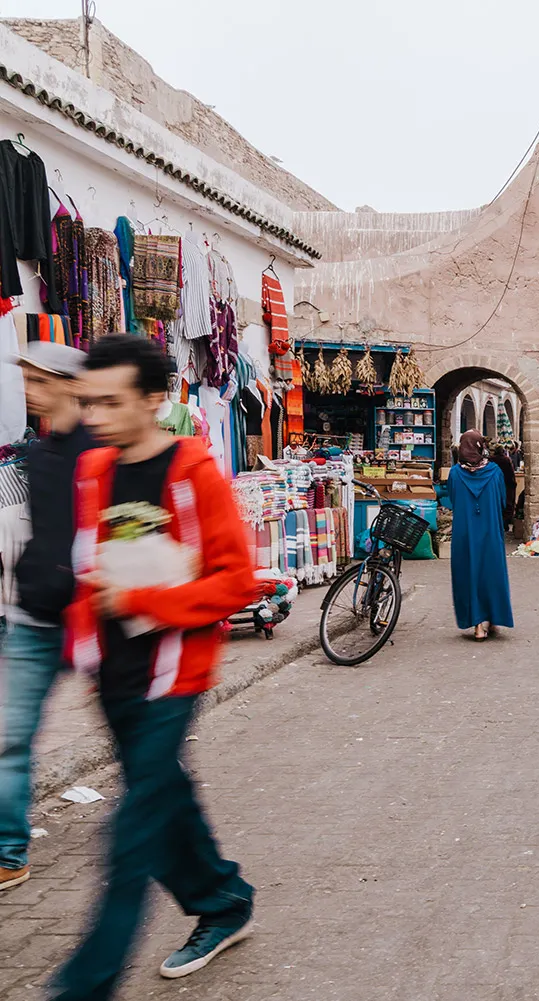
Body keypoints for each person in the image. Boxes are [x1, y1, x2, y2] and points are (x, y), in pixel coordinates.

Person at [53, 335, 258, 1000]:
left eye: (112, 401)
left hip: (173, 676)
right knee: (165, 800)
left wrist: (140, 599)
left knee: (130, 832)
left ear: (153, 399)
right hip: (112, 675)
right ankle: (222, 897)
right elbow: (91, 565)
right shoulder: (94, 472)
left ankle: (86, 983)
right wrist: (82, 645)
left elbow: (237, 582)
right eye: (90, 401)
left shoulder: (193, 472)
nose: (97, 415)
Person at [1, 344, 93, 894]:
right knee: (11, 738)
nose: (30, 389)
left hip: (94, 618)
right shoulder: (34, 456)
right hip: (34, 617)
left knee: (134, 734)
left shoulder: (101, 454)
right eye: (27, 379)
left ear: (70, 385)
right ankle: (10, 853)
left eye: (40, 380)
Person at [451, 431, 514, 641]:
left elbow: (452, 499)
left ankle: (478, 626)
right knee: (492, 572)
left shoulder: (454, 474)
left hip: (465, 533)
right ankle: (494, 618)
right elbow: (503, 500)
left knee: (469, 573)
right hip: (490, 530)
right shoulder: (495, 471)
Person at [488, 441, 517, 536]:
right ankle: (504, 524)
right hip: (506, 484)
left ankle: (495, 525)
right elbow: (510, 473)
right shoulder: (506, 460)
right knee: (507, 505)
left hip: (493, 485)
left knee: (496, 504)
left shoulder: (490, 460)